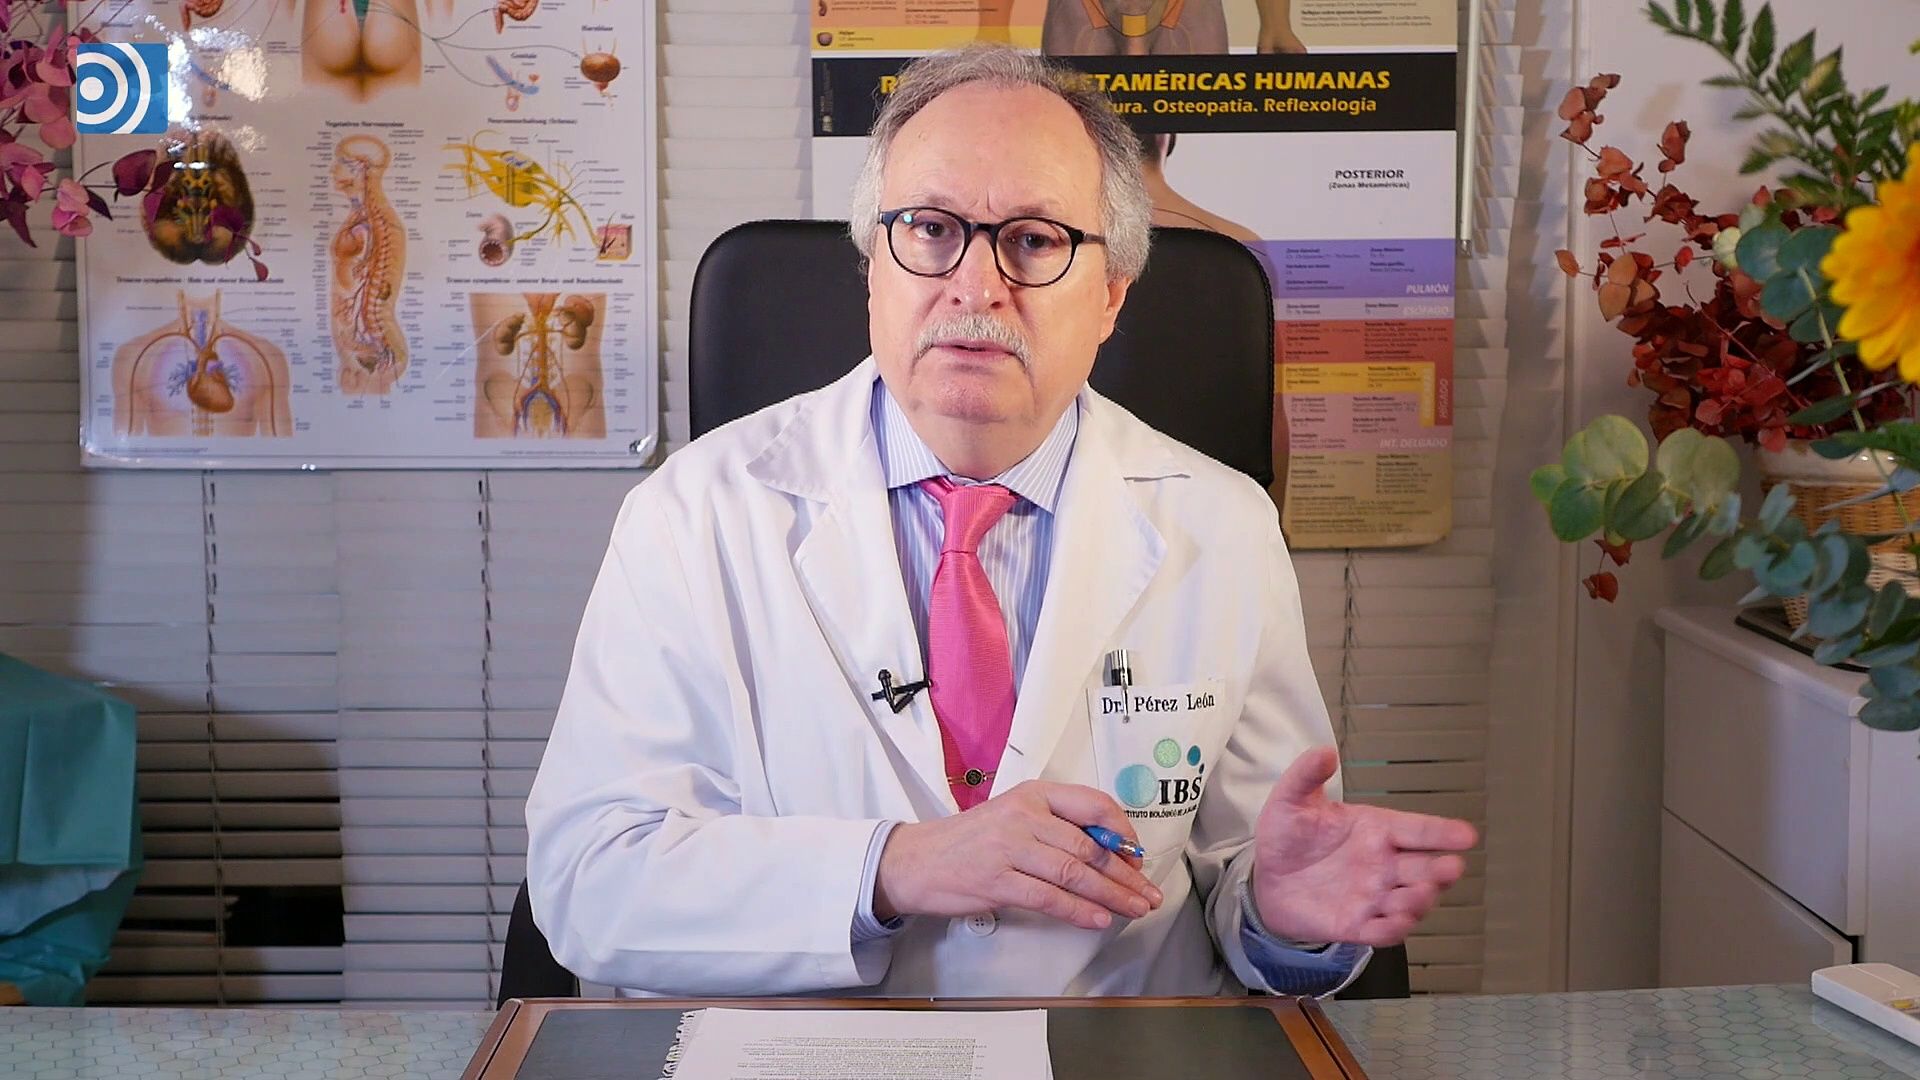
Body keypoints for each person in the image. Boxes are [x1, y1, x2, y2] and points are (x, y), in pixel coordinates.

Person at [524, 43, 1474, 998]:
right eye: (931, 229)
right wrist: (897, 867)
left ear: (1110, 295)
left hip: (1111, 1053)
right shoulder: (693, 515)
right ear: (873, 269)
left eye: (1034, 240)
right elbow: (590, 882)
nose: (976, 287)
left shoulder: (1222, 526)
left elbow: (1251, 871)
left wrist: (1282, 917)